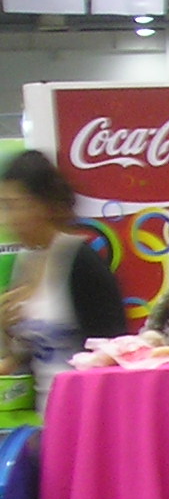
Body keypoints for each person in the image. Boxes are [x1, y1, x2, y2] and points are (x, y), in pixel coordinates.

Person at [0, 149, 127, 408]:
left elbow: (113, 349)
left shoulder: (80, 261)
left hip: (86, 409)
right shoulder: (25, 260)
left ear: (43, 205)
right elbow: (25, 354)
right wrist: (6, 328)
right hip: (47, 410)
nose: (7, 219)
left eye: (15, 205)